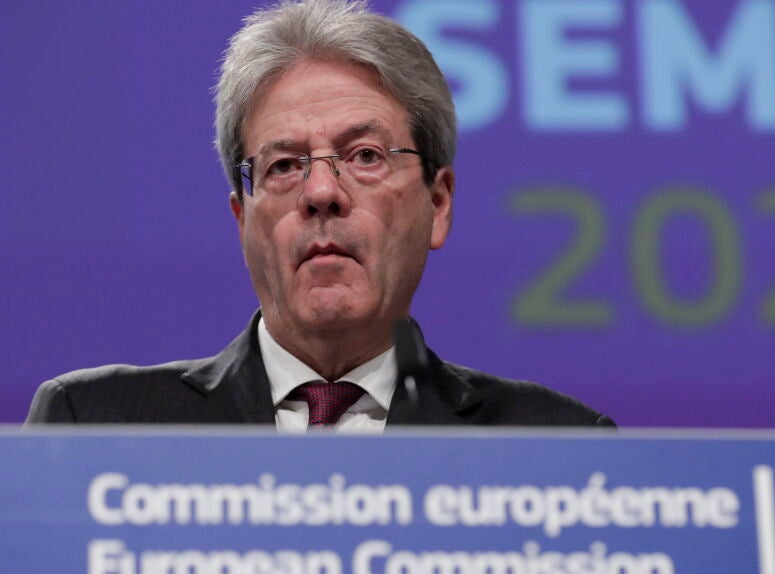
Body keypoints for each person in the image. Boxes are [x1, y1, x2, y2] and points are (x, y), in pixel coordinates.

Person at [25, 0, 612, 430]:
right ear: (242, 220)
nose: (322, 192)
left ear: (437, 204)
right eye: (284, 165)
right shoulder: (93, 426)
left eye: (365, 156)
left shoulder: (557, 446)